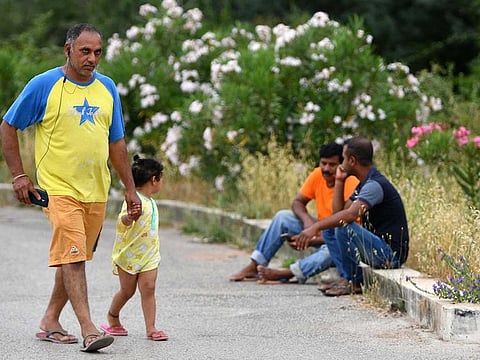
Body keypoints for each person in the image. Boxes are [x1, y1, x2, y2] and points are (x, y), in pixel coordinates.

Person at [0, 23, 142, 352]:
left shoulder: (107, 88)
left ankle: (50, 320)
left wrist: (131, 189)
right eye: (85, 51)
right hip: (58, 189)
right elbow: (8, 126)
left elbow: (116, 143)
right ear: (68, 50)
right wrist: (19, 175)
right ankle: (90, 329)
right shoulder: (44, 85)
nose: (92, 58)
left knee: (72, 257)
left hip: (95, 190)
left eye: (97, 53)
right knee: (74, 258)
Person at [295, 136, 409, 296]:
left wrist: (315, 227)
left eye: (344, 158)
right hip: (375, 249)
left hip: (390, 256)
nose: (341, 163)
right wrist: (340, 181)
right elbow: (338, 212)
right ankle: (347, 278)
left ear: (352, 160)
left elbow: (349, 215)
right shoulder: (364, 183)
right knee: (331, 227)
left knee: (343, 225)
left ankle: (354, 282)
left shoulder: (374, 185)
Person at [229, 142, 359, 284]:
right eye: (323, 163)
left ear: (341, 165)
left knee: (329, 252)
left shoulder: (350, 181)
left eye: (332, 165)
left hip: (340, 240)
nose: (326, 169)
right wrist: (307, 221)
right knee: (282, 217)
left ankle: (289, 273)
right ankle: (255, 265)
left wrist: (310, 239)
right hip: (318, 229)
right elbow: (297, 202)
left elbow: (345, 232)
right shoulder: (317, 174)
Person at [100, 155, 169, 341]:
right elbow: (122, 220)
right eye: (161, 178)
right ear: (154, 180)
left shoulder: (151, 201)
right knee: (127, 291)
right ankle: (112, 318)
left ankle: (151, 328)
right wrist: (130, 217)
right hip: (129, 255)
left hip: (149, 255)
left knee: (149, 288)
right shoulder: (134, 199)